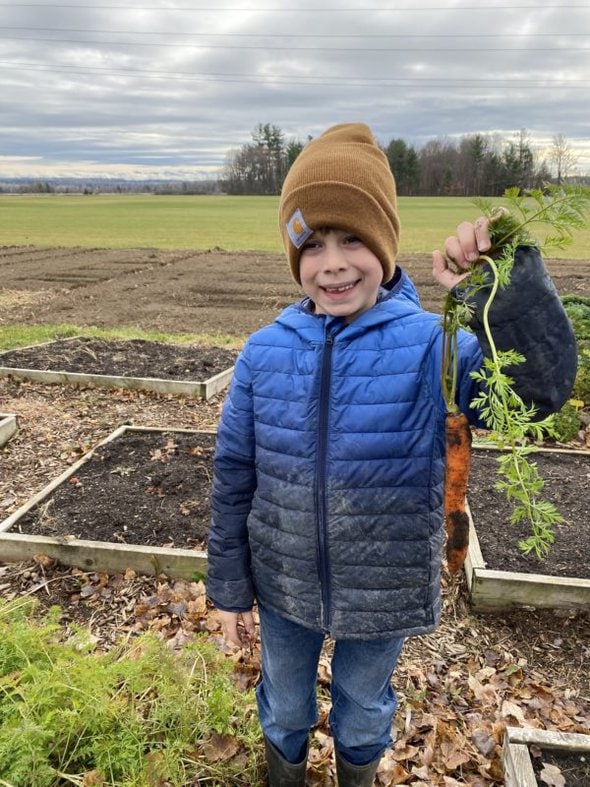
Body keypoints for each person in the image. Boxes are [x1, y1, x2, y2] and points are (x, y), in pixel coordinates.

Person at [206, 123, 577, 787]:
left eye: (352, 238)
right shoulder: (264, 351)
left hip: (383, 587)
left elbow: (535, 395)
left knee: (361, 711)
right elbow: (234, 477)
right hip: (285, 586)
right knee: (285, 704)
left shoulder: (433, 346)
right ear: (295, 256)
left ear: (384, 241)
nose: (333, 262)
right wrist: (228, 588)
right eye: (313, 244)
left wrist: (505, 282)